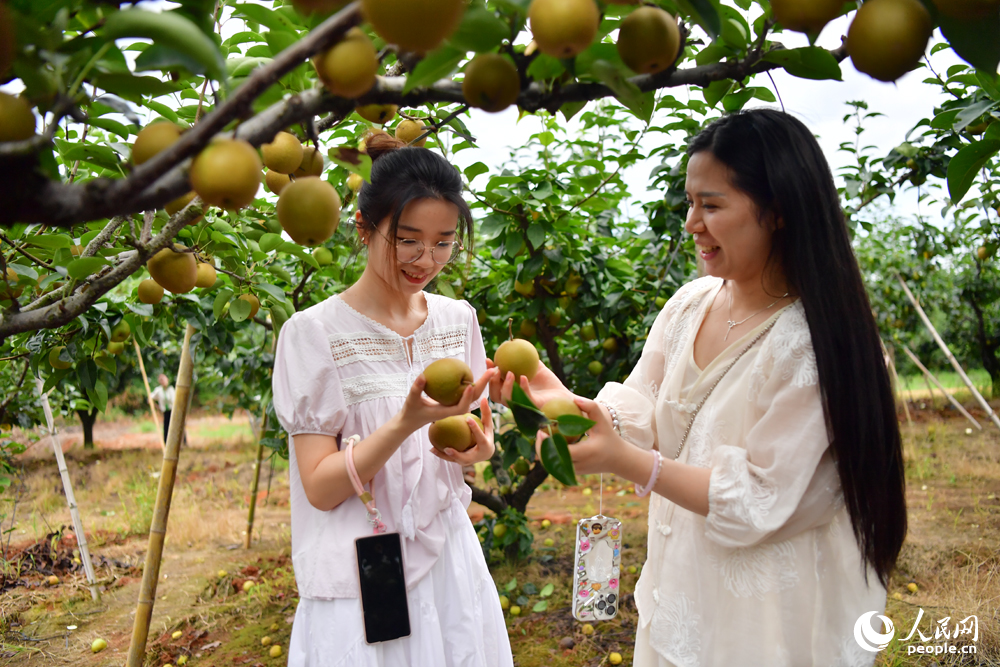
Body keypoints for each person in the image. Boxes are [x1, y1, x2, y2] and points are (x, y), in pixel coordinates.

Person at [493, 109, 908, 666]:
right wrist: (561, 401)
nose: (692, 223)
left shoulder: (815, 347)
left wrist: (632, 464)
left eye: (711, 205)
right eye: (691, 203)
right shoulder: (691, 305)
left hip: (762, 623)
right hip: (682, 596)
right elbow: (641, 409)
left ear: (779, 212)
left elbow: (760, 499)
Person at [272, 134, 512, 667]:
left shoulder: (458, 321)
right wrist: (403, 424)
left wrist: (481, 449)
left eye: (445, 241)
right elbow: (320, 487)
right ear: (364, 228)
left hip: (447, 560)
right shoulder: (314, 334)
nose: (427, 259)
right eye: (408, 240)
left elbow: (466, 438)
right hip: (362, 573)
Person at [149, 373, 175, 444]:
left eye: (163, 379)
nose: (163, 381)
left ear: (167, 379)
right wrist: (157, 406)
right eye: (161, 380)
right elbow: (150, 397)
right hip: (165, 412)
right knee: (166, 427)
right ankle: (166, 442)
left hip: (173, 411)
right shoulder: (158, 390)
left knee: (175, 427)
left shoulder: (171, 389)